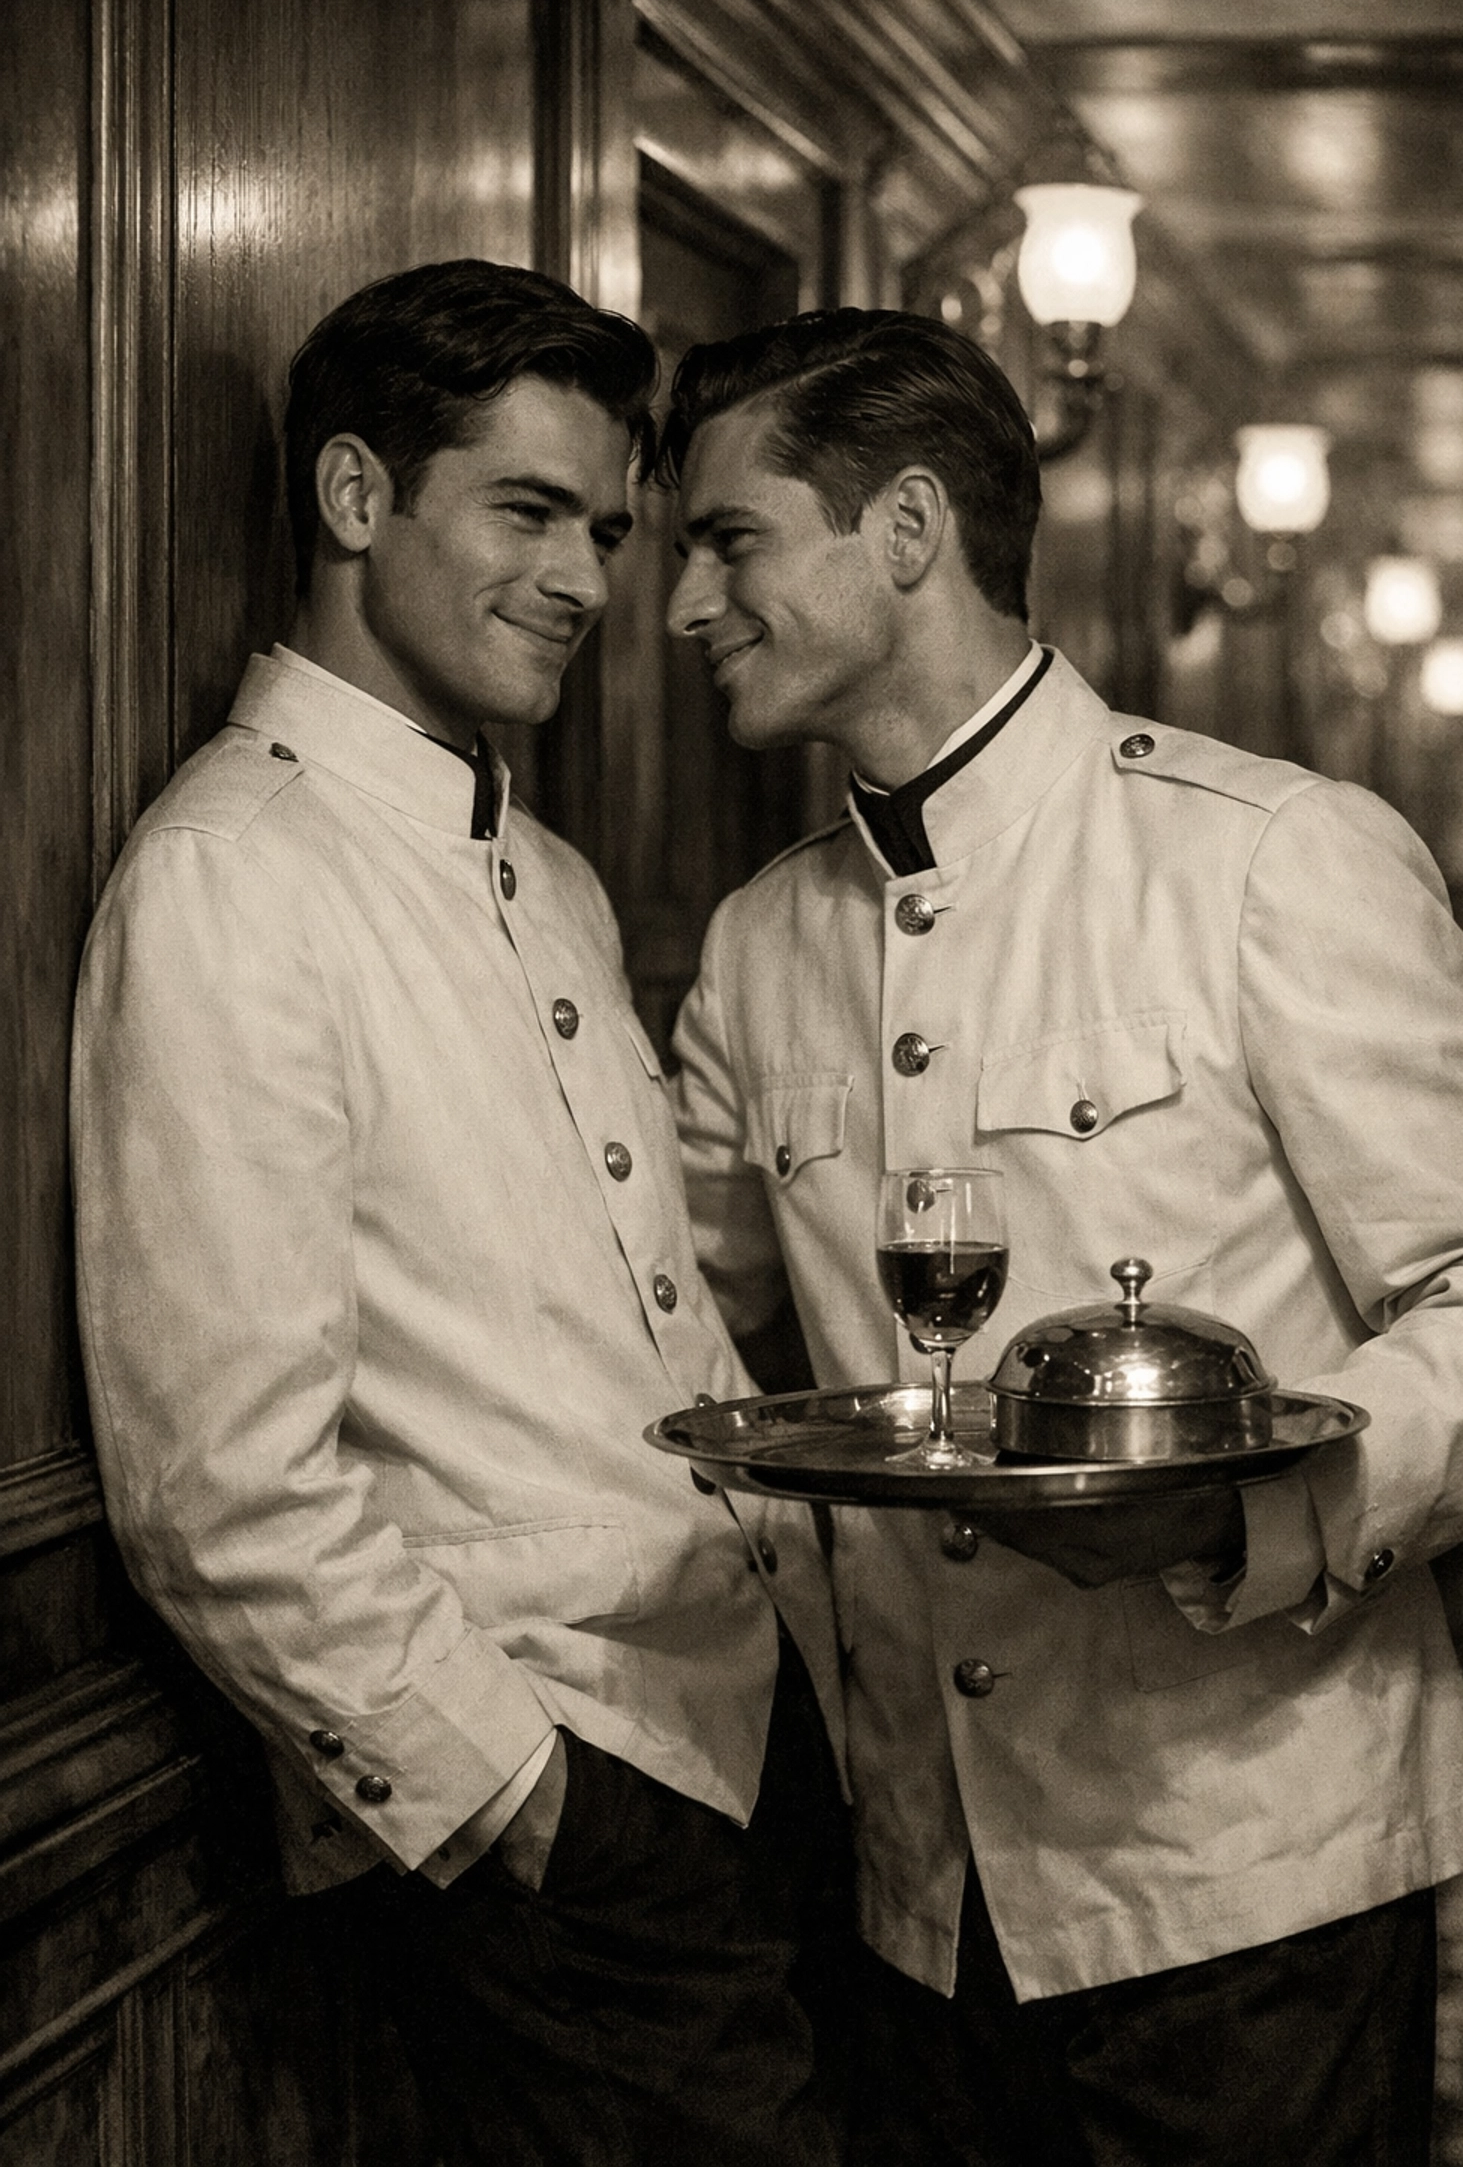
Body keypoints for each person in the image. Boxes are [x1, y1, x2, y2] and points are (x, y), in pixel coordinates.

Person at [658, 305, 1463, 2167]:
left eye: (726, 540)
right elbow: (698, 1345)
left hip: (1249, 1881)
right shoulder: (756, 944)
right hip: (914, 1891)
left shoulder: (1267, 853)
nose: (680, 606)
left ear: (903, 531)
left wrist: (1254, 1508)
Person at [71, 261, 848, 2167]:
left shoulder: (556, 873)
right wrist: (521, 1801)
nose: (590, 578)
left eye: (603, 524)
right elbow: (218, 1483)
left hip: (752, 1735)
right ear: (356, 500)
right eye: (527, 511)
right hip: (550, 1802)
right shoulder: (229, 882)